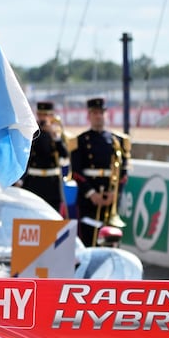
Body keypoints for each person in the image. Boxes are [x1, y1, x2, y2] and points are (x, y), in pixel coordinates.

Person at [71, 97, 130, 246]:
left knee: (110, 239)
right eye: (94, 113)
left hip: (110, 197)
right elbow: (76, 172)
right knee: (89, 239)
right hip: (89, 198)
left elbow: (123, 173)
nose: (98, 116)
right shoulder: (81, 141)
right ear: (89, 116)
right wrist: (92, 194)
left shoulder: (118, 141)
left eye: (101, 112)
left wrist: (114, 194)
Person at [20, 101, 68, 214]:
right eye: (41, 115)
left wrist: (55, 137)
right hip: (34, 181)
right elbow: (27, 154)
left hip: (52, 183)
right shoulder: (31, 132)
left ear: (52, 116)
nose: (44, 118)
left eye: (47, 115)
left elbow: (64, 157)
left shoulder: (57, 134)